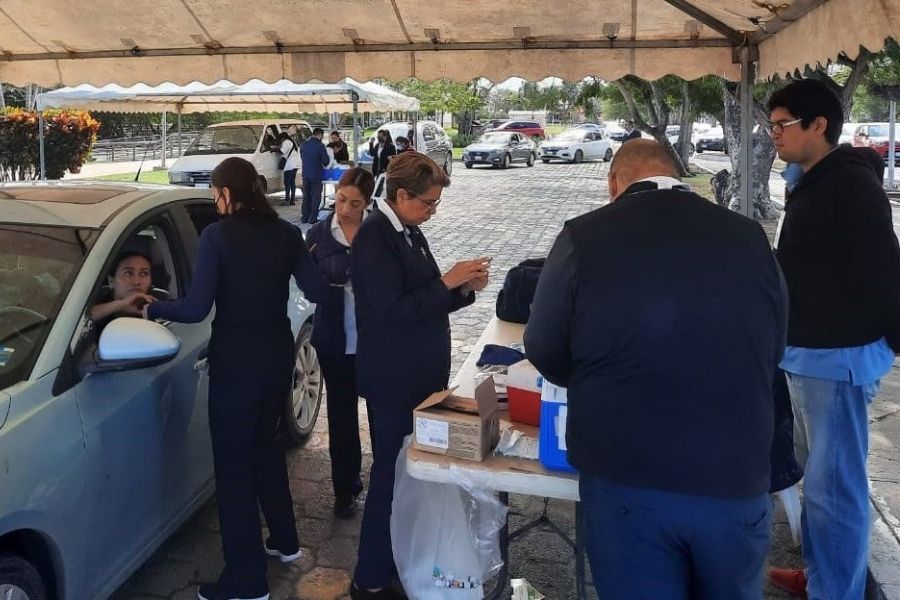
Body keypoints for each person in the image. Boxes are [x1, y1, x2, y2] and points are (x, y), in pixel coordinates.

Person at [524, 139, 788, 600]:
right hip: (734, 471)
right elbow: (777, 343)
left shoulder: (582, 236)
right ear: (678, 175)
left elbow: (544, 347)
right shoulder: (749, 236)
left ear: (614, 183)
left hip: (626, 469)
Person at [144, 157, 329, 600]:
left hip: (235, 366)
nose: (214, 200)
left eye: (215, 193)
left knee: (233, 473)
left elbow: (195, 309)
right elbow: (318, 292)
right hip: (275, 360)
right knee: (266, 449)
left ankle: (246, 582)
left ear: (228, 194)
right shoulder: (287, 233)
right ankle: (284, 542)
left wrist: (152, 307)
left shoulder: (216, 236)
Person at [766, 79, 900, 599]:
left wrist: (889, 341)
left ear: (818, 126)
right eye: (771, 125)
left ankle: (836, 591)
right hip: (807, 355)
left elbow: (885, 270)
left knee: (836, 492)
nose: (774, 135)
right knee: (817, 486)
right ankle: (825, 576)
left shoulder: (850, 186)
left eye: (782, 125)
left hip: (837, 360)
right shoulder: (809, 178)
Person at [349, 153, 489, 599]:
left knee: (410, 474)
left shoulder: (407, 231)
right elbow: (391, 314)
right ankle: (369, 577)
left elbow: (423, 299)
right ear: (401, 195)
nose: (433, 212)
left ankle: (398, 558)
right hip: (393, 379)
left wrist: (463, 291)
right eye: (428, 204)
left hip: (418, 376)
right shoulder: (375, 238)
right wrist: (447, 282)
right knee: (390, 474)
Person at [305, 167, 376, 519]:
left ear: (368, 203)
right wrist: (325, 284)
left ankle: (385, 482)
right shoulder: (319, 232)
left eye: (355, 203)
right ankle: (344, 487)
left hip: (375, 341)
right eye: (341, 199)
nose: (345, 209)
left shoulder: (379, 233)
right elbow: (305, 282)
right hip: (333, 338)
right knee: (341, 416)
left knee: (381, 413)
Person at [89, 250, 156, 327]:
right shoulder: (96, 304)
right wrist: (119, 305)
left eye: (144, 274)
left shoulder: (156, 308)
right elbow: (80, 320)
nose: (136, 282)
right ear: (111, 281)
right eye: (128, 273)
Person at [300, 127, 331, 224]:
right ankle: (313, 218)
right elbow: (325, 162)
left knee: (306, 197)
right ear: (320, 135)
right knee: (315, 197)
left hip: (305, 174)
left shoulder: (303, 145)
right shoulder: (320, 146)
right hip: (316, 175)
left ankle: (304, 217)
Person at [278, 131, 300, 206]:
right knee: (292, 183)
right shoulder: (291, 142)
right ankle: (292, 200)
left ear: (283, 138)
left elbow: (282, 151)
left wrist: (275, 148)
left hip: (290, 165)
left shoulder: (286, 142)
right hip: (295, 165)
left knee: (287, 183)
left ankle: (287, 200)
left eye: (280, 139)